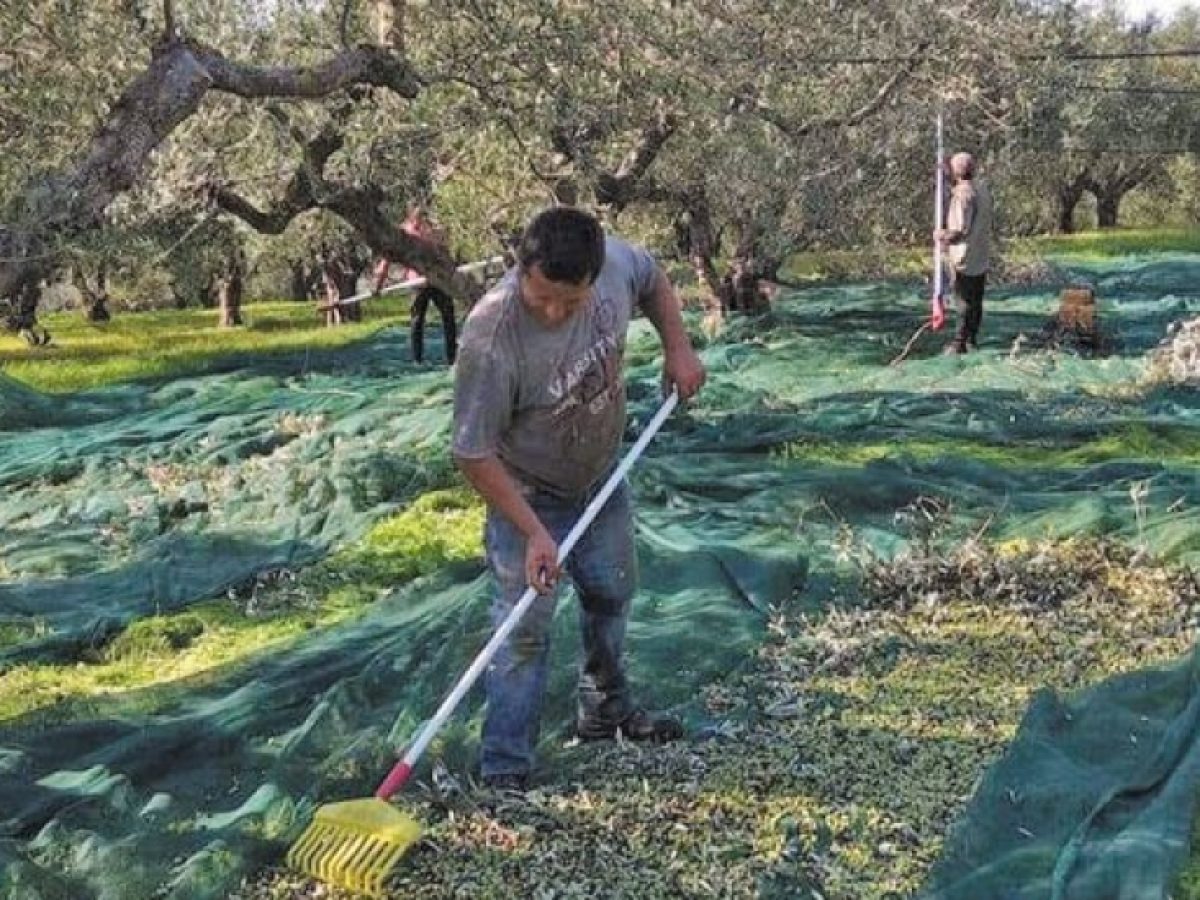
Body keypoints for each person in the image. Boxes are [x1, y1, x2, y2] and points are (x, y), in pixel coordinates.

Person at [452, 206, 706, 793]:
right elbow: (472, 453)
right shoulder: (493, 336)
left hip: (600, 475)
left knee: (613, 589)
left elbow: (653, 278)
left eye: (570, 303)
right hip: (527, 492)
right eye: (541, 298)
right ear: (523, 269)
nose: (554, 313)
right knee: (522, 629)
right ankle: (505, 767)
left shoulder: (616, 263)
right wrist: (534, 530)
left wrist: (679, 348)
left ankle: (605, 711)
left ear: (593, 277)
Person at [373, 205, 458, 364]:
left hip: (437, 280)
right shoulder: (403, 233)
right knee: (417, 320)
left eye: (423, 217)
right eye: (417, 217)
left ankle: (452, 356)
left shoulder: (434, 232)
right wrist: (378, 285)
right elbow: (387, 259)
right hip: (417, 283)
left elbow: (445, 254)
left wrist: (449, 273)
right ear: (411, 216)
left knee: (448, 315)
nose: (421, 221)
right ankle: (417, 359)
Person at [935, 152, 993, 354]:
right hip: (981, 254)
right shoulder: (982, 189)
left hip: (965, 257)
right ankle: (972, 339)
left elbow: (960, 229)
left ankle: (959, 343)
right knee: (976, 300)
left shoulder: (963, 194)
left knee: (963, 301)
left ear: (956, 171)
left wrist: (941, 236)